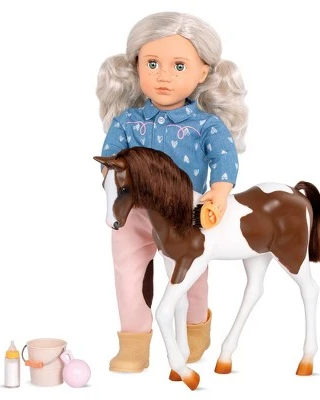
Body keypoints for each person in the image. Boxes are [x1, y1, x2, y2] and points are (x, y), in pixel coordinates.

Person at [96, 11, 248, 373]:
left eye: (179, 66)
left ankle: (194, 331)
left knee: (191, 274)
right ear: (136, 66)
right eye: (152, 64)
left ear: (203, 72)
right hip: (133, 214)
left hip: (185, 213)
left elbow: (223, 159)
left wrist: (220, 191)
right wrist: (114, 184)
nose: (164, 75)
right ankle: (134, 343)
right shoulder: (127, 122)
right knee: (128, 274)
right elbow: (110, 162)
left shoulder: (206, 125)